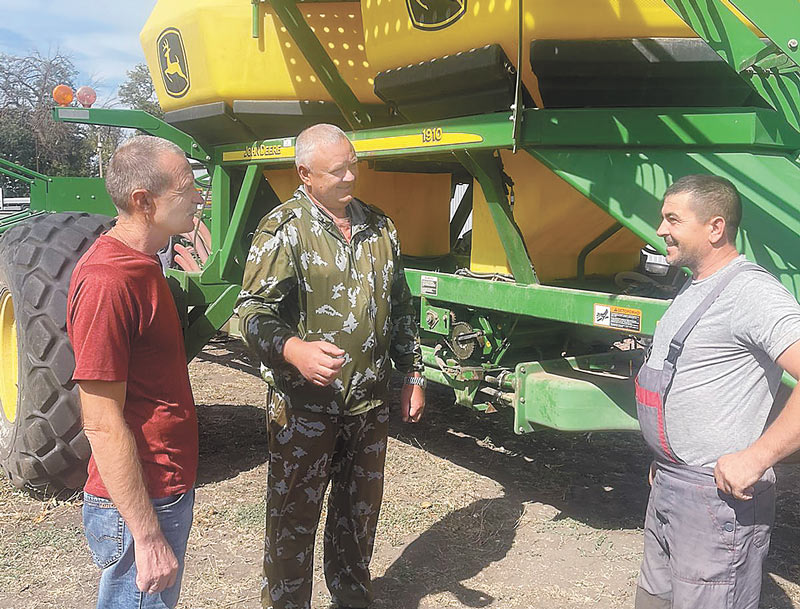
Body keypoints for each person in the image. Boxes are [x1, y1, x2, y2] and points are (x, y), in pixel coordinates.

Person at [237, 123, 426, 609]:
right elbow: (252, 314)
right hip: (304, 410)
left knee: (357, 517)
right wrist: (293, 349)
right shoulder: (283, 229)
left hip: (368, 407)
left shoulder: (380, 226)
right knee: (292, 520)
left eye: (352, 165)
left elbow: (402, 307)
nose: (349, 177)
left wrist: (411, 375)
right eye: (336, 170)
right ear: (305, 173)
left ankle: (352, 596)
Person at [634, 174, 800, 609]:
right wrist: (668, 462)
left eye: (672, 219)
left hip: (718, 505)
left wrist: (757, 457)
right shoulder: (693, 285)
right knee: (654, 600)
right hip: (672, 485)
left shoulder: (752, 292)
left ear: (715, 227)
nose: (660, 229)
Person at [67, 135, 203, 609]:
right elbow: (101, 422)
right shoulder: (109, 281)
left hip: (162, 487)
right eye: (187, 188)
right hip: (139, 504)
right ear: (144, 201)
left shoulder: (146, 265)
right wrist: (145, 537)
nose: (199, 198)